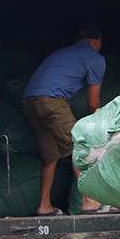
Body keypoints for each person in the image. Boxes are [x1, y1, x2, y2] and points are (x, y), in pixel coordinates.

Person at [22, 22, 106, 215]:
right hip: (51, 100)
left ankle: (44, 205)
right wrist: (102, 129)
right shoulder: (95, 59)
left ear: (78, 40)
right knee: (78, 146)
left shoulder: (63, 53)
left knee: (50, 156)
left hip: (29, 101)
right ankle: (90, 202)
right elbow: (93, 104)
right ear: (98, 42)